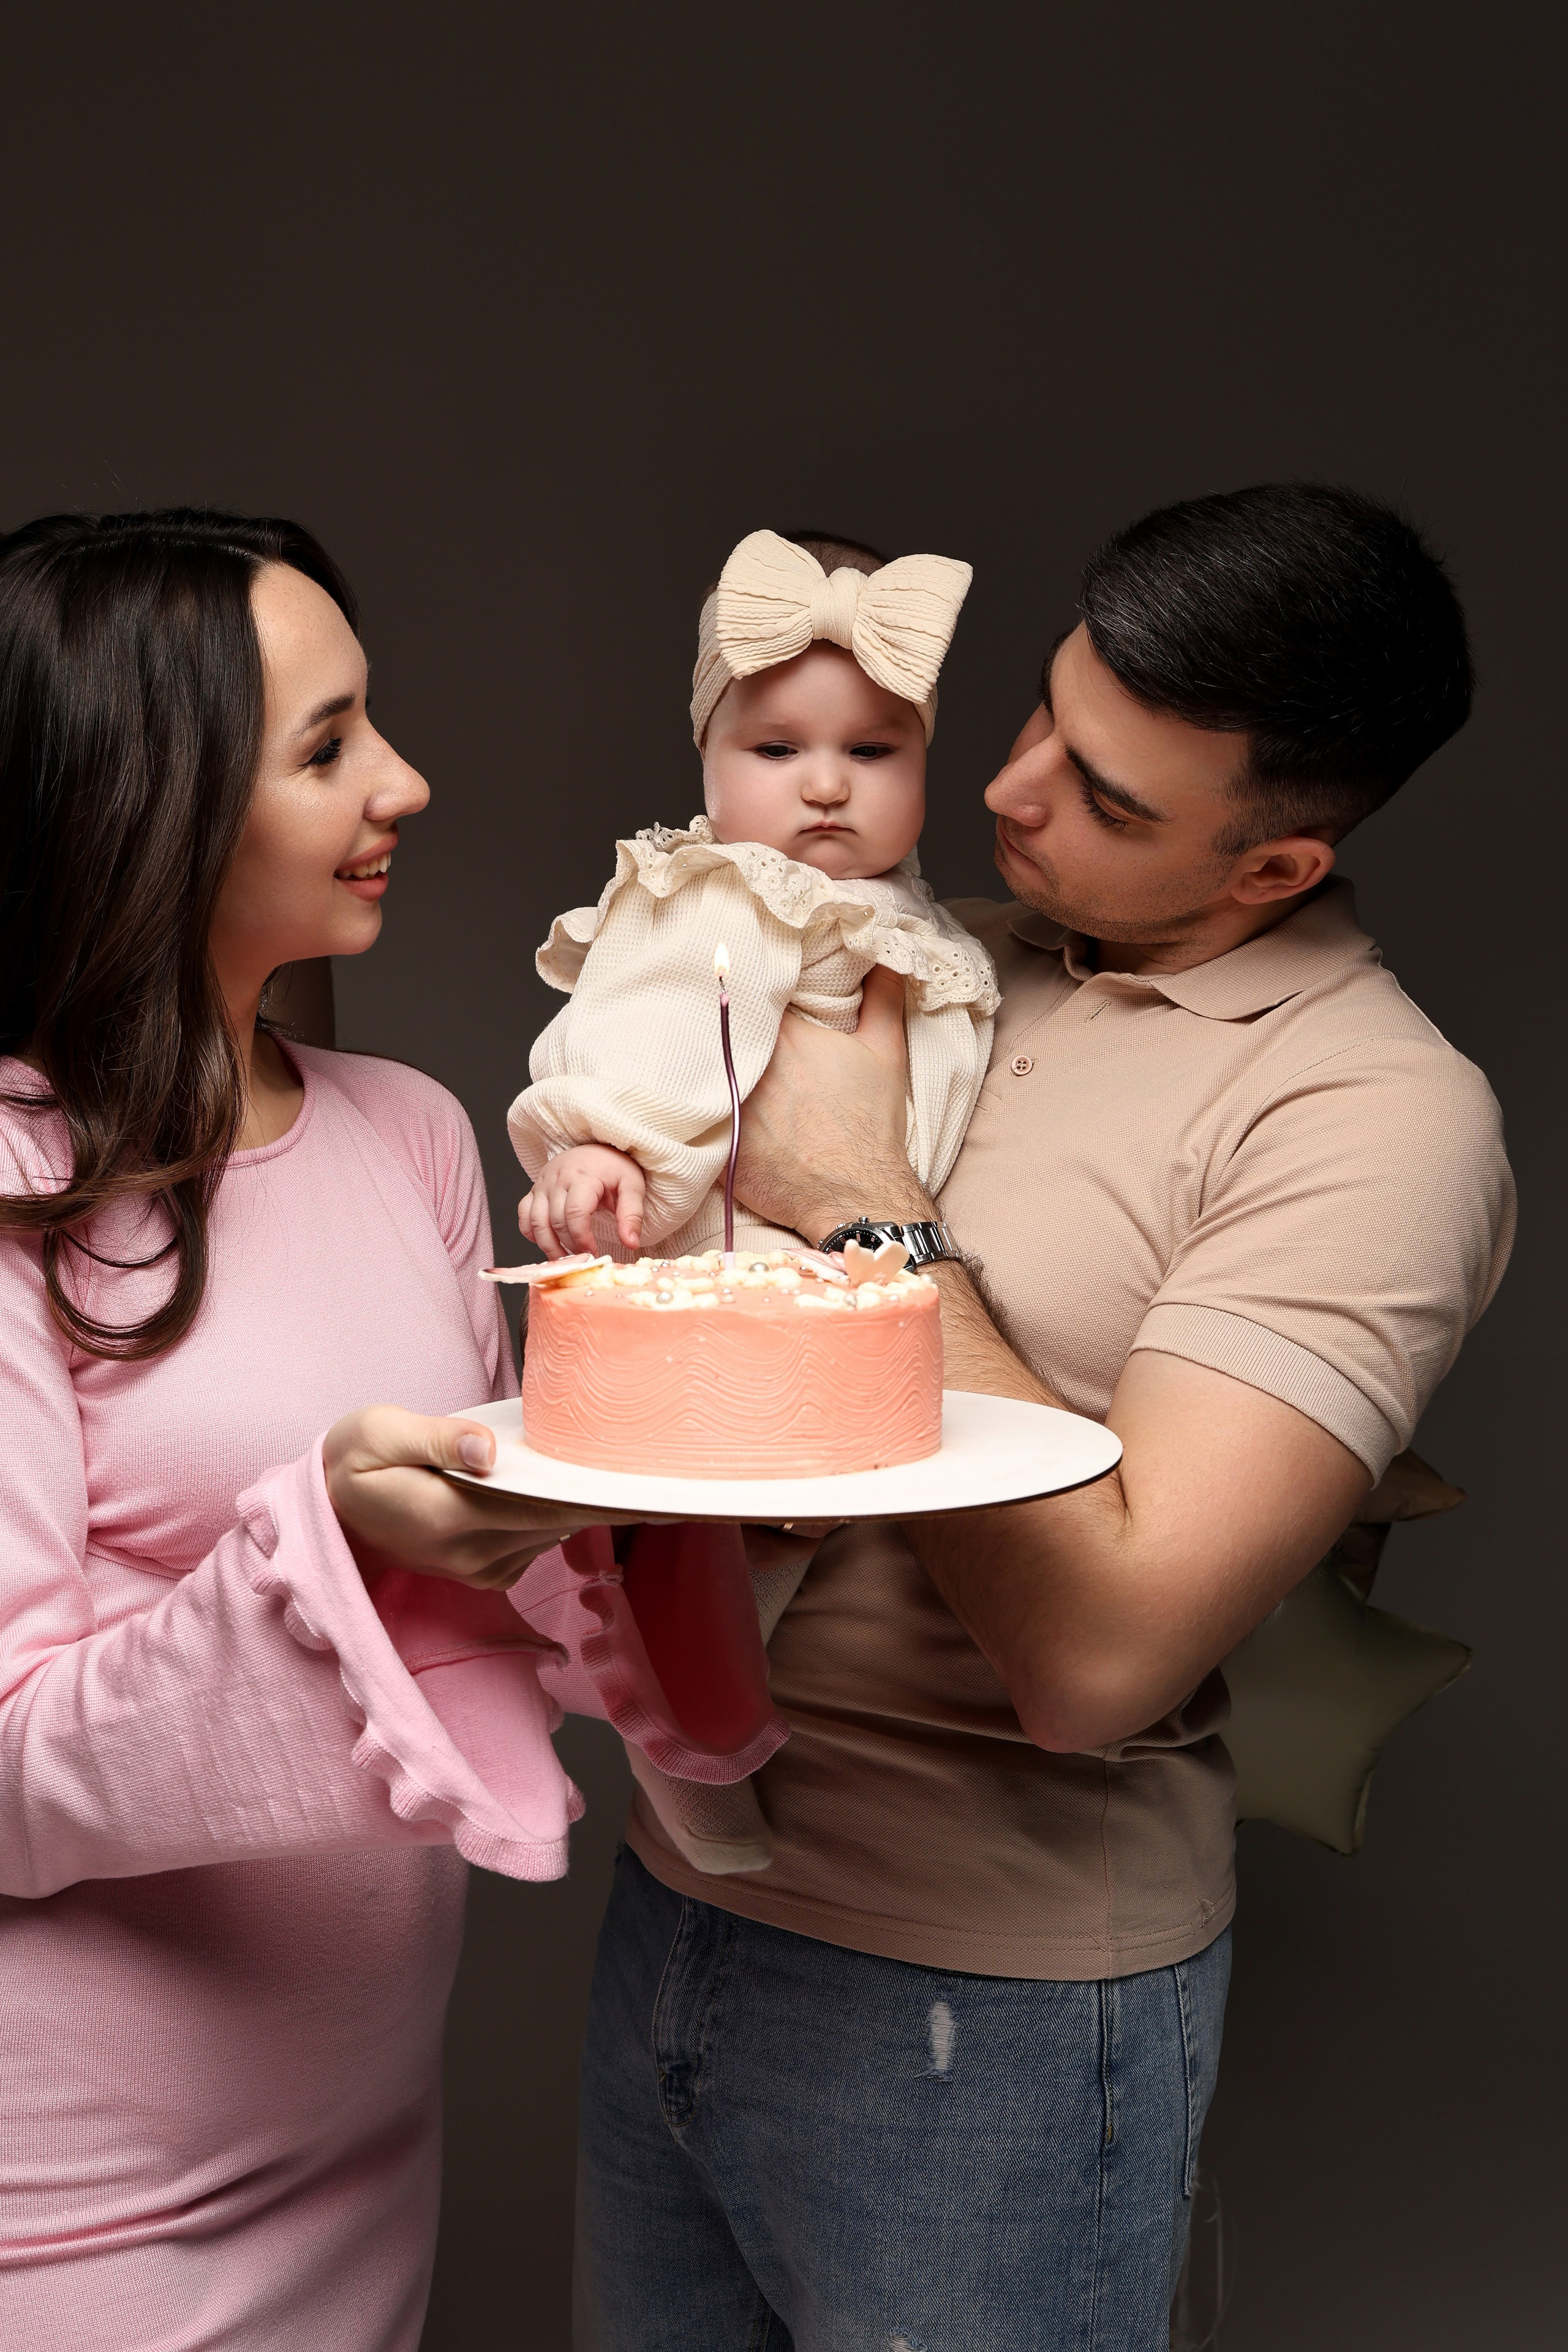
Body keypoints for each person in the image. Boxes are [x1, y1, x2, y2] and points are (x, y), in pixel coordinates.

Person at [570, 485, 1517, 2351]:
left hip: (982, 2013)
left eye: (1109, 798)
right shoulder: (935, 949)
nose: (1009, 796)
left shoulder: (1373, 1120)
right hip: (673, 1905)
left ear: (1276, 871)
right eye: (1040, 723)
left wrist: (866, 1208)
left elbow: (1100, 1655)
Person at [0, 508, 650, 2351]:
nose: (410, 782)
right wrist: (334, 1538)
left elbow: (507, 1600)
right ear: (151, 801)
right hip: (65, 2212)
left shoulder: (415, 1133)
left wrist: (686, 1360)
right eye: (329, 744)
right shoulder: (12, 1185)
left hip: (358, 2144)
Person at [510, 525, 997, 1874]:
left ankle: (684, 1724)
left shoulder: (909, 917)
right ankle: (691, 1768)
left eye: (875, 752)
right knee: (698, 1571)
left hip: (834, 1280)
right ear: (707, 760)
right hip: (719, 1258)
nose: (826, 787)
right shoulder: (721, 894)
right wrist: (603, 1143)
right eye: (776, 751)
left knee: (774, 1558)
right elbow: (649, 1022)